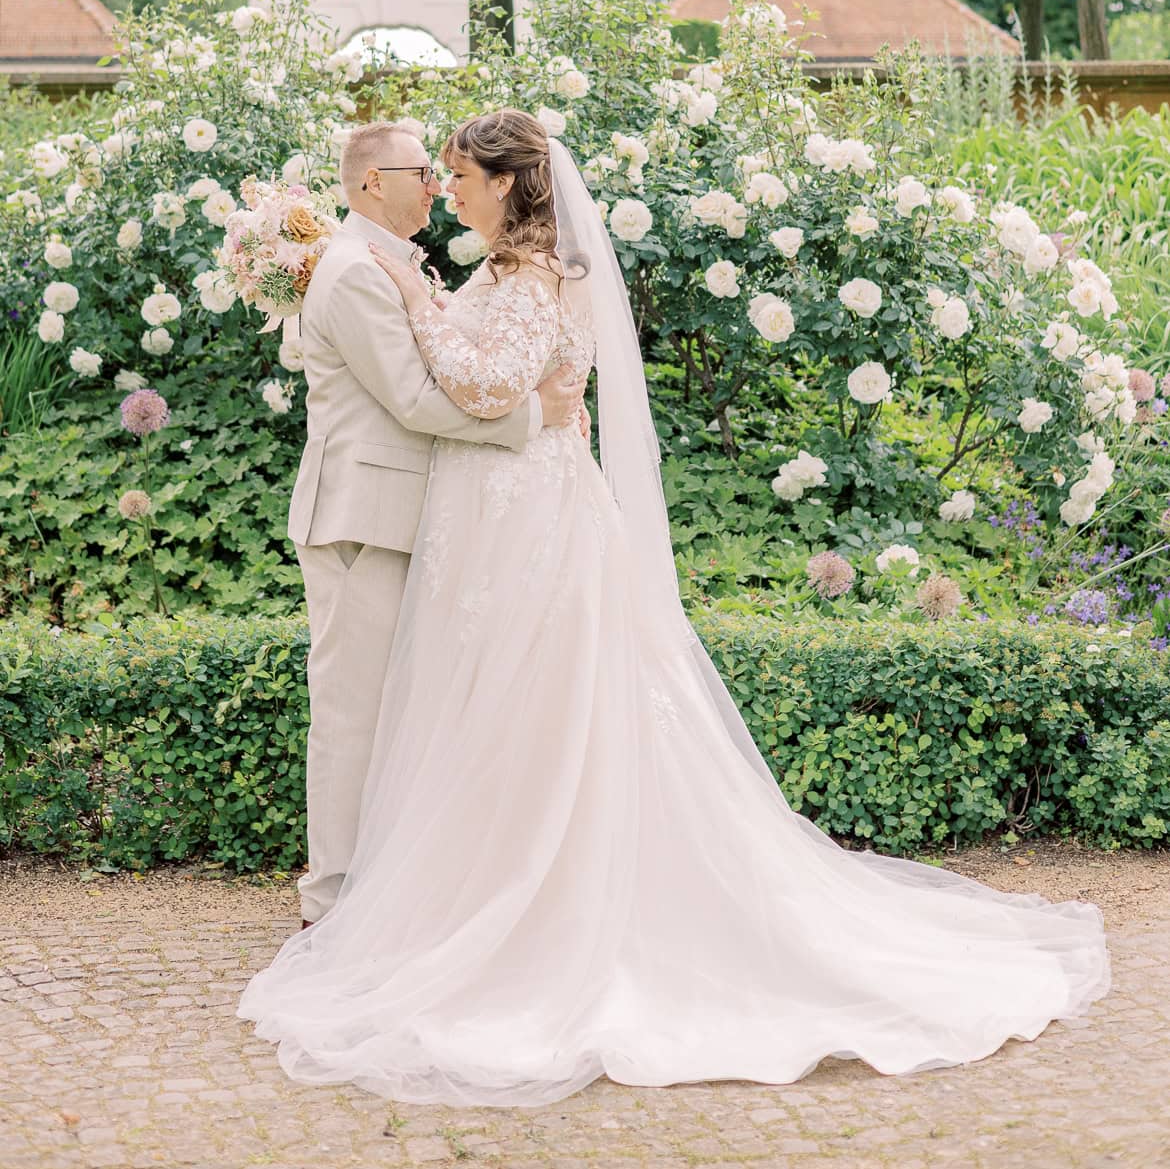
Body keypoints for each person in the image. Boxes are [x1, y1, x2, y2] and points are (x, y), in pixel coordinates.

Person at [239, 108, 1110, 1107]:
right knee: (482, 712)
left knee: (538, 708)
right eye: (439, 175)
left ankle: (532, 911)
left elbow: (481, 384)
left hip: (528, 521)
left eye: (466, 177)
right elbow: (468, 387)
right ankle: (464, 893)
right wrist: (422, 298)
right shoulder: (476, 271)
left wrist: (420, 304)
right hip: (487, 514)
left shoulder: (529, 276)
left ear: (512, 185)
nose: (453, 191)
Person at [286, 117, 586, 929]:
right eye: (423, 170)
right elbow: (417, 399)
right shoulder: (354, 272)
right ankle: (333, 900)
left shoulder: (395, 264)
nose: (436, 184)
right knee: (353, 710)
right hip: (365, 517)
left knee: (415, 710)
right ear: (372, 182)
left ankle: (392, 889)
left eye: (447, 172)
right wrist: (535, 416)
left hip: (428, 514)